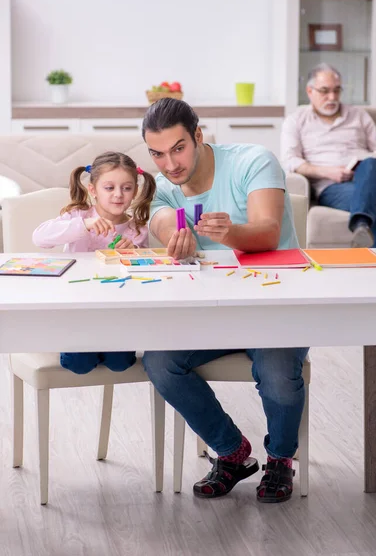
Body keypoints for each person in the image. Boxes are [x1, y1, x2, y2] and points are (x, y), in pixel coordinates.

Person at [141, 97, 309, 503]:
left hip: (275, 306)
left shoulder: (254, 160)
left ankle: (281, 460)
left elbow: (268, 231)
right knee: (160, 361)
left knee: (278, 379)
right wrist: (170, 236)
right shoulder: (163, 186)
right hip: (210, 314)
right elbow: (162, 219)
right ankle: (233, 453)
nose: (170, 164)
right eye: (157, 154)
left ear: (198, 136)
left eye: (178, 148)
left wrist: (231, 233)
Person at [33, 151, 156, 374]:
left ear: (135, 191)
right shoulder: (78, 216)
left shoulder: (136, 230)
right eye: (109, 188)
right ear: (93, 190)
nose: (118, 195)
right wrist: (84, 225)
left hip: (114, 313)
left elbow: (143, 276)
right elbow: (39, 237)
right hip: (77, 309)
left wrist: (134, 252)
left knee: (120, 363)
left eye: (126, 188)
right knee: (79, 364)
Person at [280, 63, 376, 248]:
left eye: (336, 90)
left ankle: (361, 225)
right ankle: (367, 239)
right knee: (375, 198)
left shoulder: (359, 115)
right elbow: (289, 161)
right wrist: (327, 172)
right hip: (332, 188)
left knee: (372, 164)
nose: (332, 97)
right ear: (310, 91)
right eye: (324, 91)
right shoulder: (296, 120)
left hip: (369, 176)